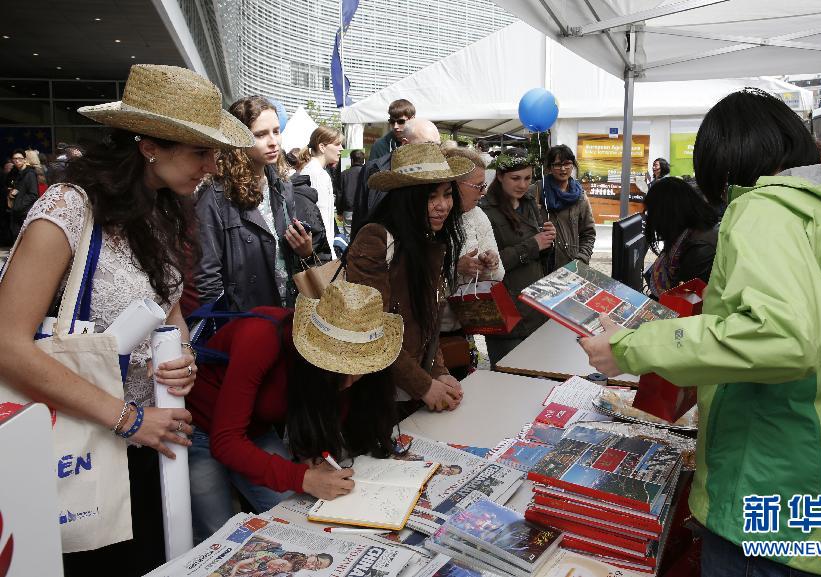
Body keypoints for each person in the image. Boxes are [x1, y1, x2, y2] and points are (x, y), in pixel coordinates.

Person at [578, 88, 821, 577]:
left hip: (769, 500)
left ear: (728, 165)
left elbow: (780, 339)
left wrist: (628, 347)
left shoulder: (768, 208)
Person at [0, 64, 247, 576]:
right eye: (201, 150)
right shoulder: (67, 208)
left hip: (144, 444)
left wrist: (182, 356)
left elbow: (169, 308)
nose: (214, 166)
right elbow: (6, 343)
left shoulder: (160, 210)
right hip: (74, 447)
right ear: (149, 145)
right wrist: (127, 418)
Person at [187, 280, 402, 541]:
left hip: (255, 429)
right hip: (198, 427)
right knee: (217, 535)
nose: (349, 380)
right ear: (315, 352)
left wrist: (315, 457)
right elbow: (226, 442)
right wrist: (304, 478)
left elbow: (326, 410)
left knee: (301, 519)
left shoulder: (324, 371)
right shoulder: (260, 337)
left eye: (361, 366)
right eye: (341, 368)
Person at [345, 143, 472, 416]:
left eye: (448, 194)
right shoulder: (376, 239)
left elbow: (429, 321)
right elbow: (369, 329)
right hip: (378, 394)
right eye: (430, 197)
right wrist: (423, 385)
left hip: (414, 395)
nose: (443, 206)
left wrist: (439, 372)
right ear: (407, 199)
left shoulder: (432, 241)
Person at [195, 95, 313, 311]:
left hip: (288, 308)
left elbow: (285, 256)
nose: (273, 141)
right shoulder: (216, 195)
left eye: (276, 131)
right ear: (238, 139)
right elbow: (208, 276)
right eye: (260, 134)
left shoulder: (282, 186)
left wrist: (304, 250)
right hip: (247, 317)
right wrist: (225, 328)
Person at [480, 149, 553, 367]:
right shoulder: (484, 211)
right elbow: (489, 265)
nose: (522, 184)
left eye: (527, 178)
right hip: (506, 312)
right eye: (515, 178)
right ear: (500, 176)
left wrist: (547, 240)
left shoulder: (528, 202)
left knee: (539, 372)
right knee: (509, 375)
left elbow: (539, 256)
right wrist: (533, 244)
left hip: (535, 305)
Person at [439, 147, 503, 378]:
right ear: (455, 184)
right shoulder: (435, 218)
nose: (483, 192)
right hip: (432, 332)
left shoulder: (478, 216)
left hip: (464, 327)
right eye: (478, 186)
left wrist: (491, 263)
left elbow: (499, 275)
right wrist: (456, 269)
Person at [351, 118, 441, 236]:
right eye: (429, 145)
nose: (435, 152)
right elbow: (361, 215)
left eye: (438, 146)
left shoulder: (441, 171)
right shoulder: (376, 169)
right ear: (405, 144)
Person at [643, 177, 719, 297]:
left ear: (665, 214)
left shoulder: (699, 248)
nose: (651, 221)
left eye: (652, 213)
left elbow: (683, 301)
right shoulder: (686, 235)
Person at [532, 144, 595, 270]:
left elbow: (588, 233)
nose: (563, 169)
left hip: (569, 264)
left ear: (573, 165)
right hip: (539, 265)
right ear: (549, 167)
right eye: (557, 164)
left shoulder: (580, 196)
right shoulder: (536, 190)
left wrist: (581, 259)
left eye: (567, 163)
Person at [295, 126, 343, 259]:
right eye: (337, 144)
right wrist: (330, 255)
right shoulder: (317, 174)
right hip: (320, 253)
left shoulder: (315, 171)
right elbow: (320, 220)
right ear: (322, 147)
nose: (341, 149)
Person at [285, 149, 333, 264]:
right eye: (337, 144)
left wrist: (307, 254)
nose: (341, 148)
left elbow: (319, 242)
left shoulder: (317, 175)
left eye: (276, 131)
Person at [6, 149, 38, 240]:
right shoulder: (14, 173)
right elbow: (9, 185)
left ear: (24, 159)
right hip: (15, 211)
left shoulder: (30, 174)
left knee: (26, 238)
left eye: (20, 158)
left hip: (25, 211)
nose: (17, 161)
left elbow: (33, 194)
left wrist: (19, 205)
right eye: (15, 158)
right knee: (16, 236)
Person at [339, 149, 365, 233]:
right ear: (363, 160)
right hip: (363, 210)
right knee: (361, 235)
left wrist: (339, 211)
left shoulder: (344, 174)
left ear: (352, 160)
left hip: (348, 210)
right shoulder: (367, 173)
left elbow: (340, 194)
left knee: (348, 236)